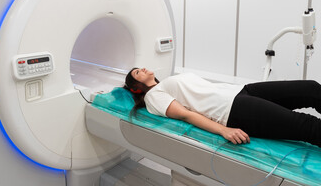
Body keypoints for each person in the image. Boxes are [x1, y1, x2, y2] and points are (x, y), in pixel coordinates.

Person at [124, 67, 321, 147]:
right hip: (232, 108)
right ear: (136, 89)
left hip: (241, 91)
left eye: (140, 68)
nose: (142, 69)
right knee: (307, 125)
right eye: (137, 73)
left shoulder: (165, 82)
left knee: (311, 88)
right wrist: (224, 130)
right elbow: (185, 115)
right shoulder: (152, 97)